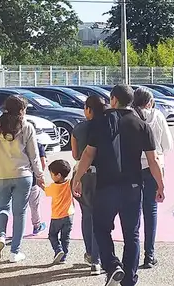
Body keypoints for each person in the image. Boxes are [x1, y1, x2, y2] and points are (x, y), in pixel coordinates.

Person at [72, 84, 165, 286]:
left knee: (100, 228)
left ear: (113, 99)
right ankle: (129, 279)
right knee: (131, 235)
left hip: (106, 186)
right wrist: (160, 185)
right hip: (133, 187)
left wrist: (77, 178)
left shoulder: (100, 122)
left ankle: (112, 266)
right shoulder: (141, 125)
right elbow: (153, 160)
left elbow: (88, 154)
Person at [0, 95, 45, 263]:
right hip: (23, 176)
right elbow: (34, 155)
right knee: (20, 212)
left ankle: (0, 236)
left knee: (1, 207)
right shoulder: (26, 127)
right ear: (21, 110)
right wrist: (40, 175)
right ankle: (15, 251)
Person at [131, 87, 174, 269]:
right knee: (151, 210)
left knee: (133, 212)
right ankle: (150, 255)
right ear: (150, 101)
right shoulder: (158, 116)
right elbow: (168, 145)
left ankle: (133, 254)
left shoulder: (130, 117)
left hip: (132, 168)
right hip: (154, 166)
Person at [71, 95, 105, 275]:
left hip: (83, 176)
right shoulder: (108, 125)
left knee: (87, 216)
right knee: (100, 217)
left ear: (89, 110)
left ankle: (91, 255)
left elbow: (76, 155)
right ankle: (98, 260)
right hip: (104, 176)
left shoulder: (78, 128)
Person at [44, 159, 74, 264]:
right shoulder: (70, 183)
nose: (51, 176)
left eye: (52, 174)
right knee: (65, 237)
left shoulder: (54, 187)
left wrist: (40, 184)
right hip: (69, 215)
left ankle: (58, 250)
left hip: (57, 216)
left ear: (58, 175)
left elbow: (46, 191)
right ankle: (63, 257)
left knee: (52, 235)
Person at [27, 138, 48, 236]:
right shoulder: (38, 145)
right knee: (34, 205)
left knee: (19, 207)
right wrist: (39, 175)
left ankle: (16, 229)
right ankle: (37, 226)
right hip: (33, 180)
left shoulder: (19, 143)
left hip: (18, 177)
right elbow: (43, 163)